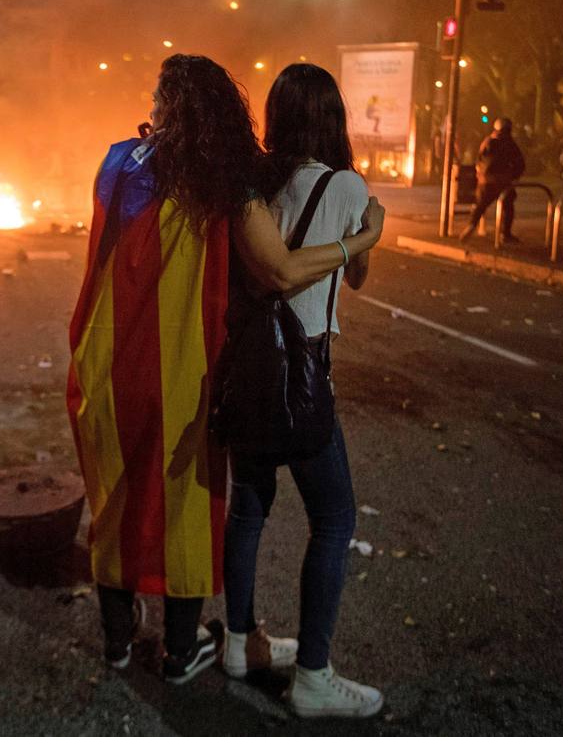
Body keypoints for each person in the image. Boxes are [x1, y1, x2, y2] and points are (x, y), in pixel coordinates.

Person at [67, 55, 385, 686]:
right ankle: (189, 654)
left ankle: (121, 642)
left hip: (107, 363)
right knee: (192, 506)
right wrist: (363, 235)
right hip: (193, 372)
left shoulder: (120, 164)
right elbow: (281, 269)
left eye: (158, 101)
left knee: (120, 499)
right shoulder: (226, 182)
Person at [220, 63, 384, 719]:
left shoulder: (254, 182)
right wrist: (363, 232)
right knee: (335, 517)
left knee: (249, 509)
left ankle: (240, 642)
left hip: (249, 372)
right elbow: (361, 274)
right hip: (303, 378)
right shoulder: (346, 186)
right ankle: (313, 675)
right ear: (333, 118)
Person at [459, 117, 525, 244]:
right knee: (508, 205)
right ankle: (505, 234)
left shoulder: (487, 141)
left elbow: (479, 160)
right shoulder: (508, 143)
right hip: (503, 181)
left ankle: (471, 225)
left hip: (485, 181)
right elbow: (519, 162)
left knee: (481, 205)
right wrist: (514, 176)